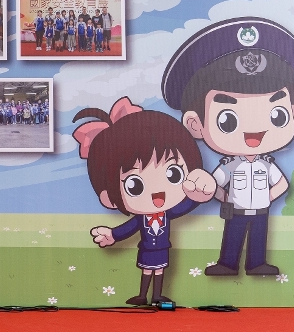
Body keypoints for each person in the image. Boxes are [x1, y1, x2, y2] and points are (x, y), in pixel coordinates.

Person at [162, 17, 294, 277]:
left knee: (259, 236)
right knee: (233, 235)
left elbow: (282, 184)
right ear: (196, 125)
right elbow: (213, 185)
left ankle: (257, 263)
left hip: (261, 209)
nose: (254, 132)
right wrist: (224, 197)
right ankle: (227, 264)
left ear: (293, 115)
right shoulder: (229, 165)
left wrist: (267, 197)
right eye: (227, 120)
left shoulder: (267, 165)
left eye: (277, 115)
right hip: (236, 210)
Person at [75, 97, 217, 305]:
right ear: (109, 197)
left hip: (161, 249)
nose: (157, 194)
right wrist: (112, 235)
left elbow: (187, 204)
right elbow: (128, 228)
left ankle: (157, 296)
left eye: (173, 174)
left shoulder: (168, 213)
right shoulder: (141, 218)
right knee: (146, 271)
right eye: (134, 185)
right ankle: (142, 295)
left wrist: (200, 194)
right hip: (147, 249)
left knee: (159, 271)